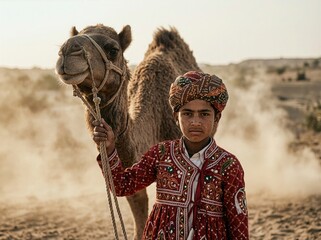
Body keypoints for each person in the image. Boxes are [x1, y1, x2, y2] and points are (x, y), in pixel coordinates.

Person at [93, 71, 249, 239]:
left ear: (217, 117)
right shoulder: (161, 154)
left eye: (204, 114)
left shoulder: (228, 165)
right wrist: (109, 149)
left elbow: (238, 223)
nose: (195, 121)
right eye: (187, 114)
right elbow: (122, 186)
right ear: (176, 117)